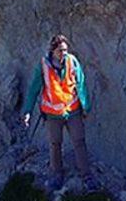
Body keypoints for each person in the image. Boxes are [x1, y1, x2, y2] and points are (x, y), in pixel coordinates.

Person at [22, 34, 91, 178]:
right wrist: (27, 110)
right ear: (53, 50)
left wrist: (85, 106)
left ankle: (86, 175)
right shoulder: (44, 66)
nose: (64, 53)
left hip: (72, 111)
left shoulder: (72, 62)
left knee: (79, 142)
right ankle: (56, 174)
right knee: (55, 144)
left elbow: (81, 84)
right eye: (60, 50)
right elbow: (34, 89)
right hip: (53, 114)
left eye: (65, 50)